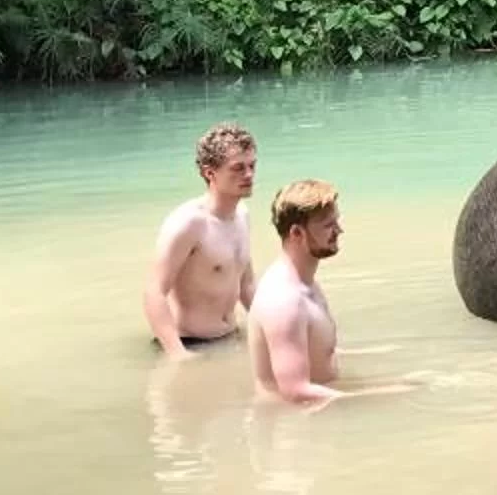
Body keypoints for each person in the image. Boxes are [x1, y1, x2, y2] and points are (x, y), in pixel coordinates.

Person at [249, 179, 410, 407]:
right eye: (328, 225)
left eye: (337, 221)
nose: (339, 230)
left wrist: (375, 355)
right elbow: (296, 392)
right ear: (297, 233)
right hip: (295, 428)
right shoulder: (284, 302)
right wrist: (387, 392)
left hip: (319, 409)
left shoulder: (305, 283)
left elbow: (313, 350)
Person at [143, 122, 257, 357]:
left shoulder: (242, 215)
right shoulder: (188, 223)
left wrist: (274, 330)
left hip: (230, 337)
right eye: (238, 168)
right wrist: (177, 354)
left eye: (252, 166)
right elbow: (154, 291)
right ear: (210, 173)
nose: (249, 175)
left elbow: (246, 285)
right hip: (190, 344)